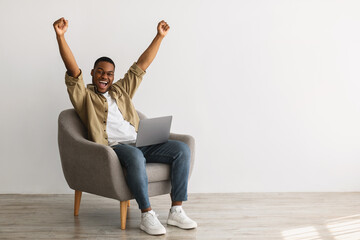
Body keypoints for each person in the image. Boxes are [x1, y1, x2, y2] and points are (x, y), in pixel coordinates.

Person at [53, 17, 197, 235]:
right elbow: (73, 71)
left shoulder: (120, 90)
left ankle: (176, 211)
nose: (105, 76)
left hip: (140, 141)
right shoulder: (85, 97)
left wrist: (159, 36)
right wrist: (61, 37)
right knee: (136, 157)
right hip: (115, 147)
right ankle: (147, 214)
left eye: (109, 73)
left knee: (182, 150)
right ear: (92, 73)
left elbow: (142, 66)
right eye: (100, 72)